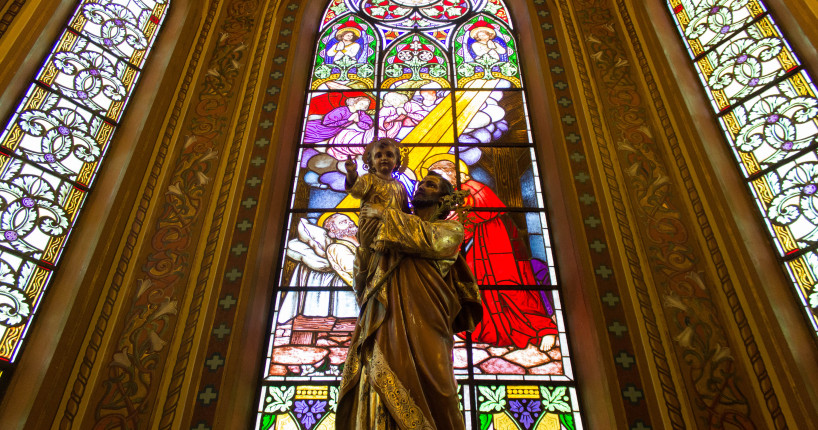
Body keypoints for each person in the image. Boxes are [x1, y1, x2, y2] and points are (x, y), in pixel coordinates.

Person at [336, 172, 483, 429]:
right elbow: (362, 285)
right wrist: (365, 247)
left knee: (439, 387)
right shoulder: (390, 236)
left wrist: (385, 214)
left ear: (444, 199)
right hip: (384, 319)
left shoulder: (450, 230)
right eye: (421, 183)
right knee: (378, 381)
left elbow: (428, 240)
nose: (421, 187)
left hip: (428, 323)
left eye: (431, 185)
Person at [428, 159, 558, 352]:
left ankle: (544, 329)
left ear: (452, 174)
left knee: (510, 287)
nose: (438, 182)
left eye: (440, 177)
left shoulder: (472, 189)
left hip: (498, 246)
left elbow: (464, 219)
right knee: (479, 288)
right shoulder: (458, 192)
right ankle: (488, 326)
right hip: (479, 248)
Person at [344, 138, 411, 217]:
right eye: (379, 156)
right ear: (372, 163)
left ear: (396, 162)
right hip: (371, 223)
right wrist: (351, 173)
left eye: (389, 155)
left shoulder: (400, 187)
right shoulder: (368, 179)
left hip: (393, 223)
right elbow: (356, 191)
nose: (384, 158)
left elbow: (405, 214)